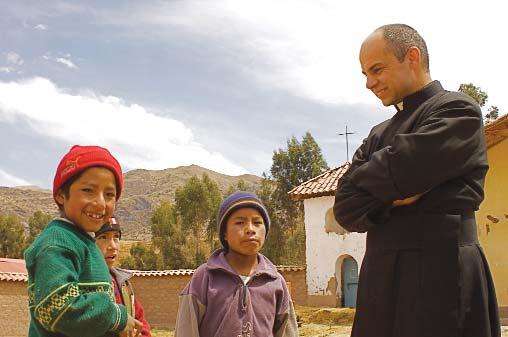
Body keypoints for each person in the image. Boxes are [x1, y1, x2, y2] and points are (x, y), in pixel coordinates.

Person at [333, 23, 500, 337]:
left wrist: (371, 185)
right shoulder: (377, 134)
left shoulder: (457, 111)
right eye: (365, 74)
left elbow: (404, 168)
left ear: (412, 57)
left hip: (442, 273)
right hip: (380, 280)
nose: (369, 83)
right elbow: (344, 206)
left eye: (377, 69)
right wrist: (391, 193)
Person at [24, 145, 142, 337]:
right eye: (88, 190)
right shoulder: (57, 242)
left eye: (109, 194)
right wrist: (116, 316)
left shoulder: (84, 241)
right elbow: (60, 310)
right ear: (61, 195)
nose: (100, 203)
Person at [175, 191, 299, 337]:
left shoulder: (276, 282)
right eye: (240, 222)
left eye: (257, 222)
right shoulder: (204, 278)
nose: (250, 229)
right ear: (225, 234)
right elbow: (186, 330)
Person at [95, 216, 152, 337]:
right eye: (103, 237)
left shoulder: (122, 283)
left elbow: (141, 324)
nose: (113, 246)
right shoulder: (82, 284)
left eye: (116, 237)